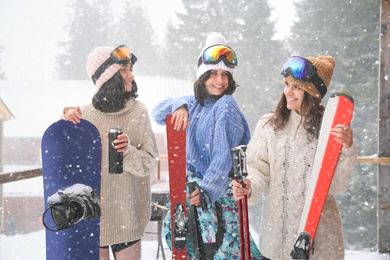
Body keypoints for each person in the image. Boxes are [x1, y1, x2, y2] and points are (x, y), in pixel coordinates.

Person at [232, 55, 357, 259]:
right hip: (276, 241)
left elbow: (336, 186)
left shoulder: (329, 130)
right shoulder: (269, 125)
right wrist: (248, 186)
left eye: (296, 87)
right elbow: (256, 170)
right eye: (287, 84)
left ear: (312, 93)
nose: (288, 91)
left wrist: (347, 147)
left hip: (321, 244)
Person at [152, 32, 263, 260]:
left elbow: (225, 157)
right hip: (193, 196)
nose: (220, 81)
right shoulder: (192, 103)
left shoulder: (227, 105)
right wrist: (179, 105)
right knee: (191, 250)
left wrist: (207, 191)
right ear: (201, 76)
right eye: (213, 73)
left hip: (218, 198)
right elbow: (157, 113)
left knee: (218, 252)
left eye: (225, 75)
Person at [63, 45, 158, 260]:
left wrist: (127, 151)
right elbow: (63, 160)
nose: (131, 75)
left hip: (128, 217)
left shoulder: (138, 111)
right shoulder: (82, 116)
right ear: (108, 76)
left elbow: (149, 163)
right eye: (124, 70)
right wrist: (65, 120)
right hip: (93, 218)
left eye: (130, 68)